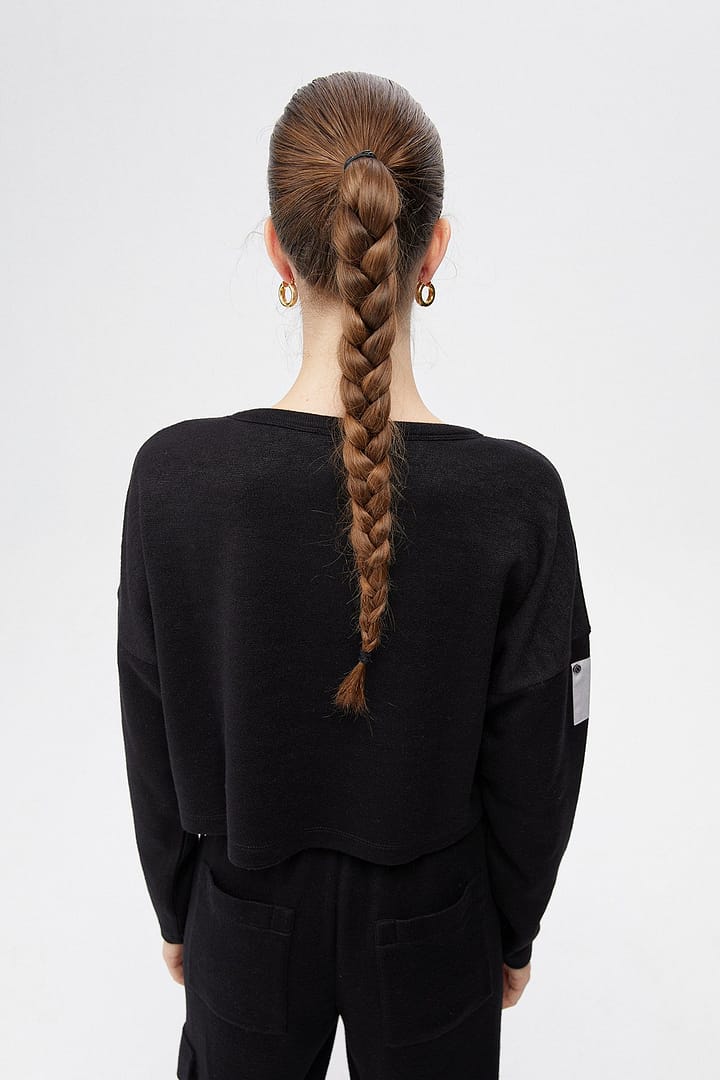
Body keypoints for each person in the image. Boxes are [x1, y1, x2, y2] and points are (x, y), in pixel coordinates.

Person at [116, 71, 591, 1080]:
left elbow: (149, 715)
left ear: (279, 251)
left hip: (241, 911)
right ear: (434, 249)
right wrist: (512, 927)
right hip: (437, 922)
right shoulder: (516, 499)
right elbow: (542, 750)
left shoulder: (176, 479)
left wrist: (178, 908)